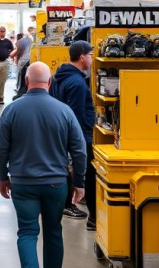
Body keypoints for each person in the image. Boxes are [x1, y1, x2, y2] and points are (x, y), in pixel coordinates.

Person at [0, 62, 88, 268]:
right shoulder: (65, 111)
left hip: (22, 183)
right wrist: (79, 182)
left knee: (27, 232)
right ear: (50, 82)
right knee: (53, 231)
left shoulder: (11, 111)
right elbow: (79, 151)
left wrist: (2, 177)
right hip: (56, 184)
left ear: (26, 81)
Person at [50, 40, 96, 228]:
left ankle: (67, 203)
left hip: (61, 130)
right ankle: (93, 217)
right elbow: (75, 116)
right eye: (91, 55)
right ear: (82, 57)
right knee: (89, 171)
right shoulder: (77, 83)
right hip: (79, 134)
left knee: (66, 167)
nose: (92, 59)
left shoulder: (58, 76)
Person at [0, 27, 15, 104]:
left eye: (3, 31)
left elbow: (12, 50)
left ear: (5, 32)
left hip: (5, 62)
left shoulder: (8, 42)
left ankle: (1, 97)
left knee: (3, 81)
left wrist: (12, 59)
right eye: (1, 31)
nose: (2, 33)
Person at [12, 27, 36, 100]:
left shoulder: (24, 41)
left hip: (24, 62)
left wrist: (14, 57)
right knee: (24, 78)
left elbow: (16, 52)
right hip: (28, 61)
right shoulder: (30, 40)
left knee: (22, 79)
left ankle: (21, 93)